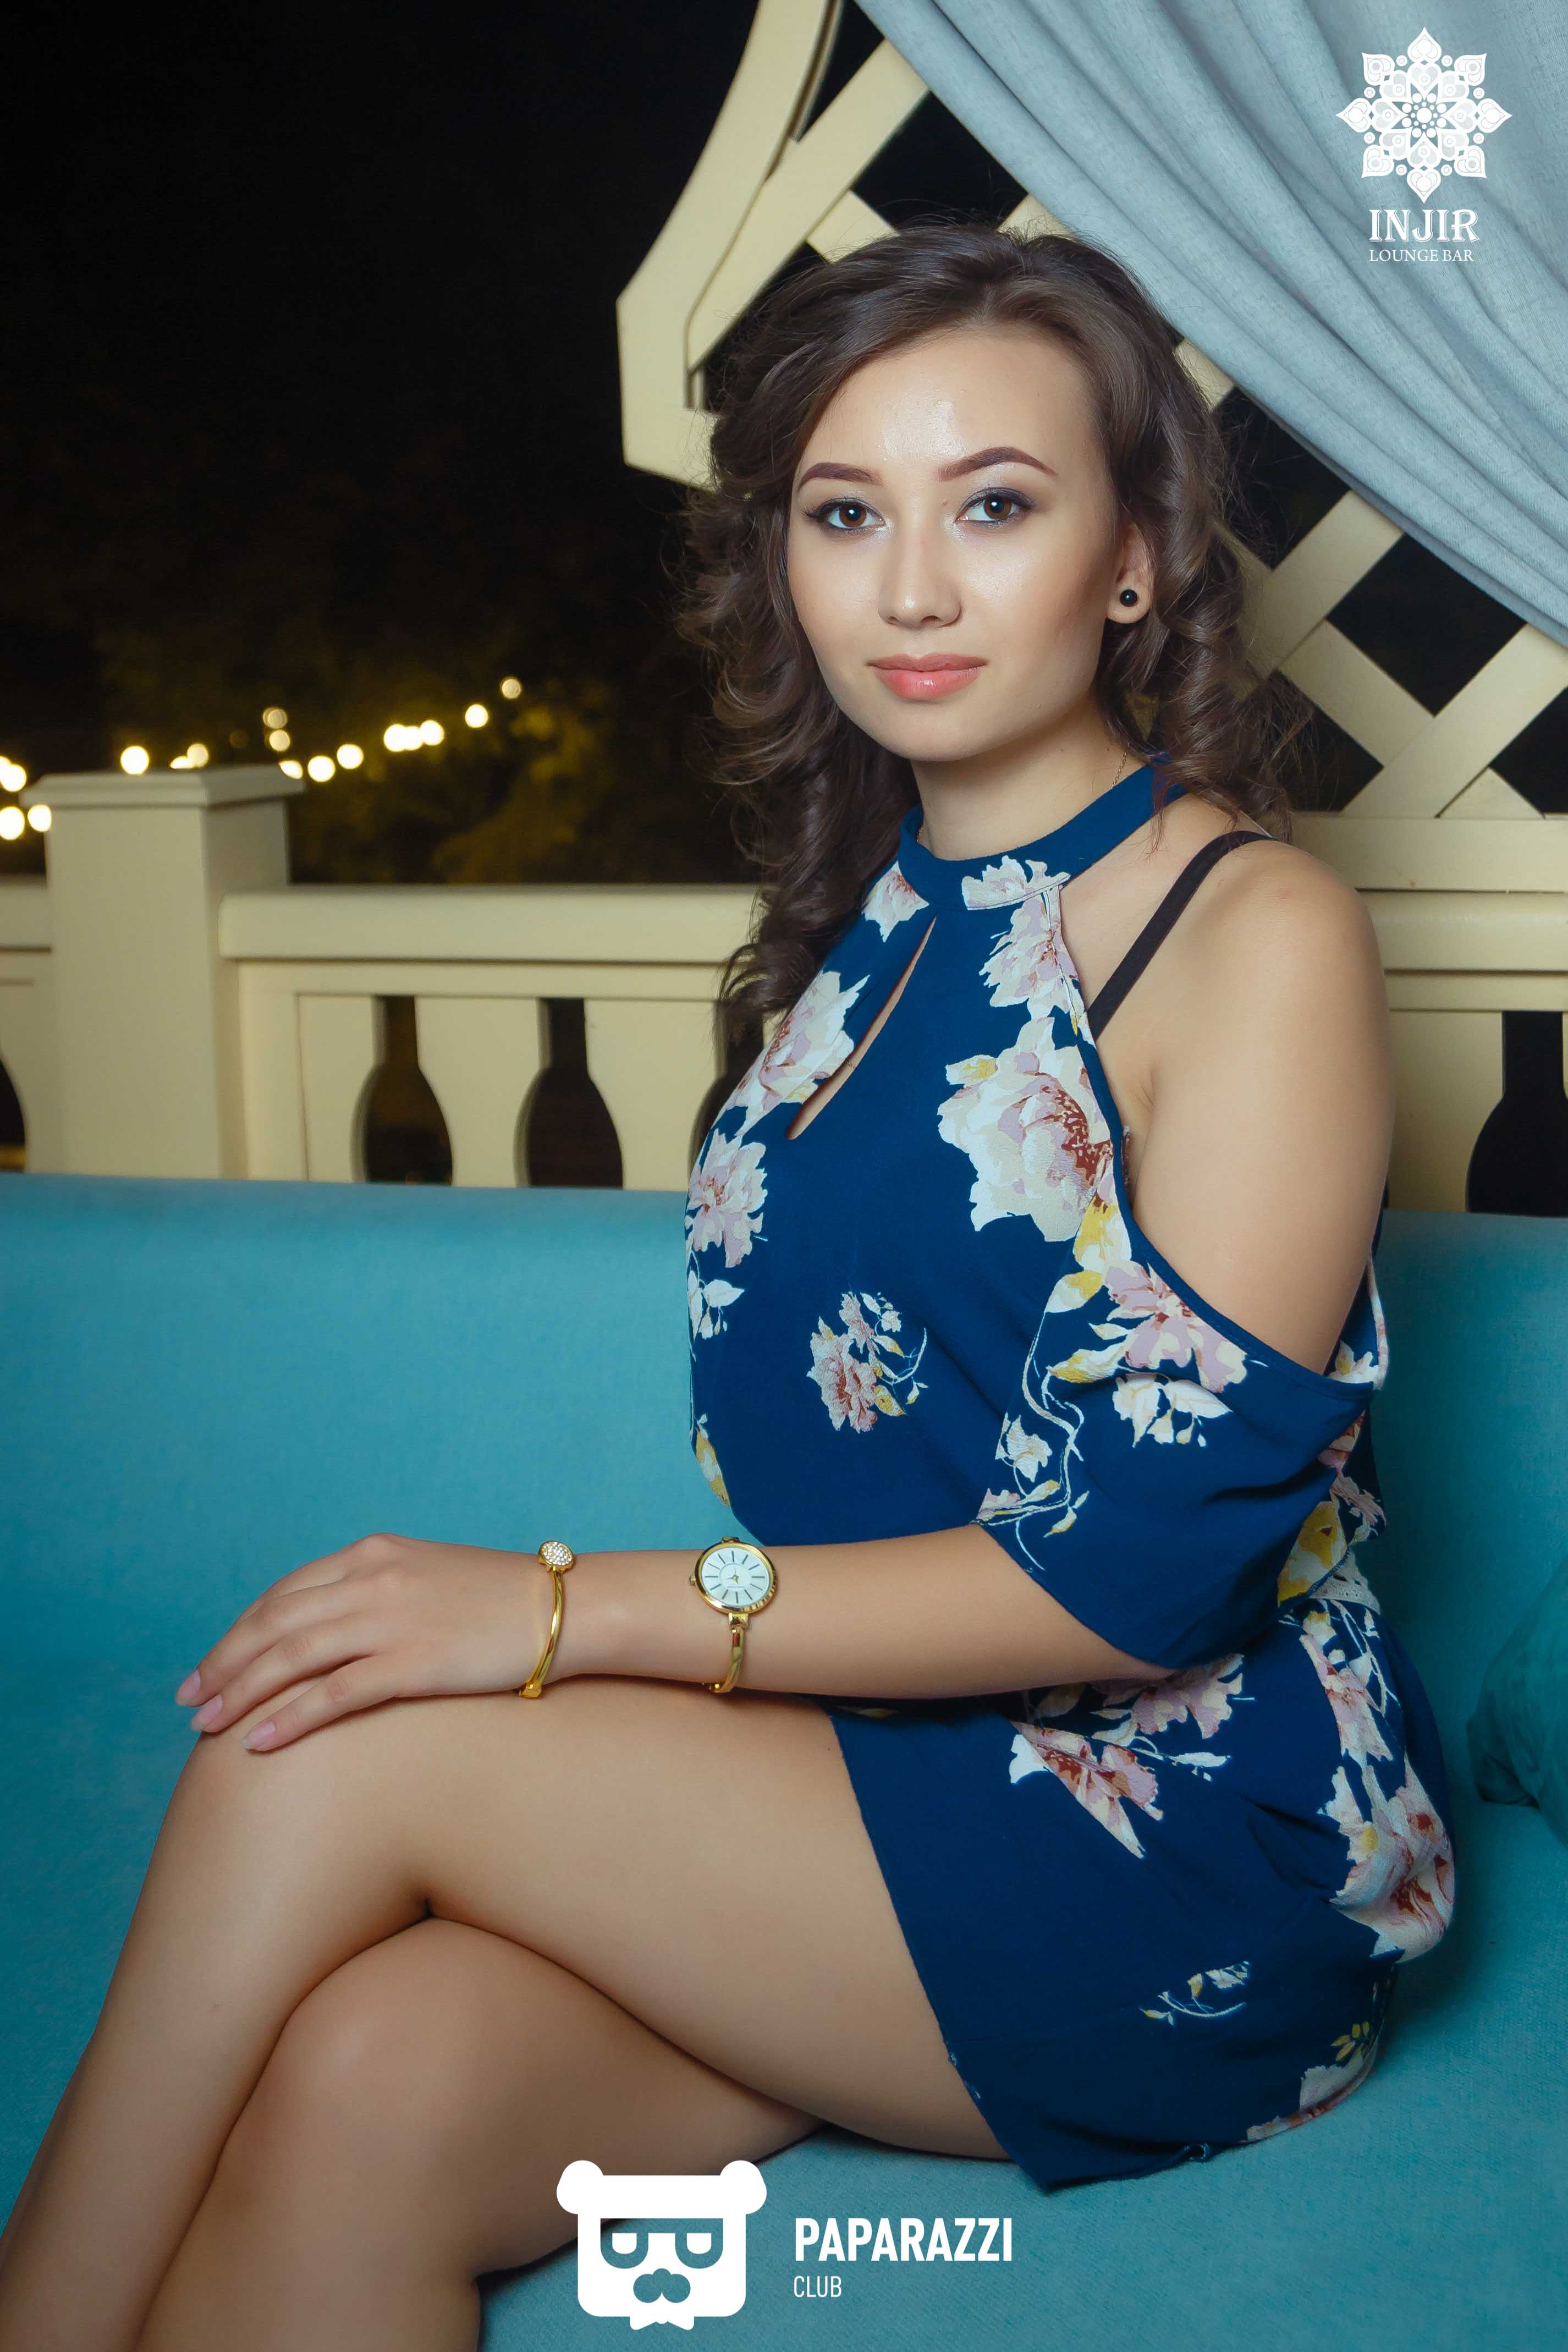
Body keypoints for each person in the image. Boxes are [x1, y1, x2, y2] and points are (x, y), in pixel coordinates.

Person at [0, 219, 1454, 2352]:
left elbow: (1132, 1579)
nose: (911, 586)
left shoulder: (1248, 934)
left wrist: (558, 1607)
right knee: (366, 2083)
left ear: (1135, 556)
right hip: (865, 1771)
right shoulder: (860, 926)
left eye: (994, 506)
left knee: (328, 1745)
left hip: (1178, 1842)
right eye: (845, 514)